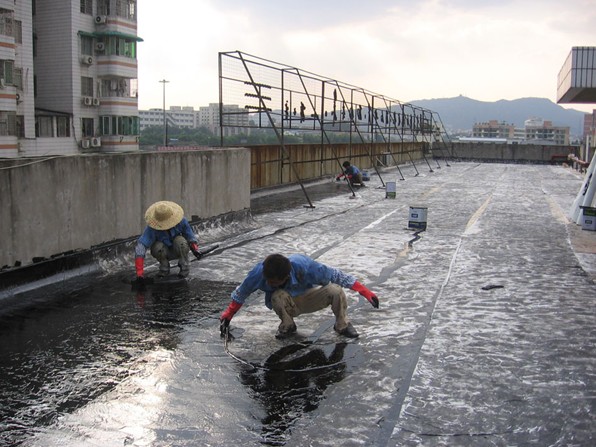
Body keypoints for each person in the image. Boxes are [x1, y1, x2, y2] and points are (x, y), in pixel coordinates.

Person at [219, 253, 379, 339]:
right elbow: (242, 292)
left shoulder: (304, 266)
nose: (270, 283)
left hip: (308, 297)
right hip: (287, 303)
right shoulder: (258, 273)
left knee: (335, 290)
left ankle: (342, 325)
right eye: (268, 280)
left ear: (286, 276)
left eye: (274, 281)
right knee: (276, 295)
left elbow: (337, 275)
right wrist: (229, 313)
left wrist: (364, 291)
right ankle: (288, 326)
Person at [134, 200, 201, 280]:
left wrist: (195, 249)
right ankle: (164, 269)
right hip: (163, 252)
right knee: (157, 246)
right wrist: (140, 273)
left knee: (180, 241)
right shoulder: (152, 228)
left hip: (178, 249)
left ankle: (184, 268)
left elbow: (190, 236)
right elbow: (141, 246)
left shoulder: (182, 221)